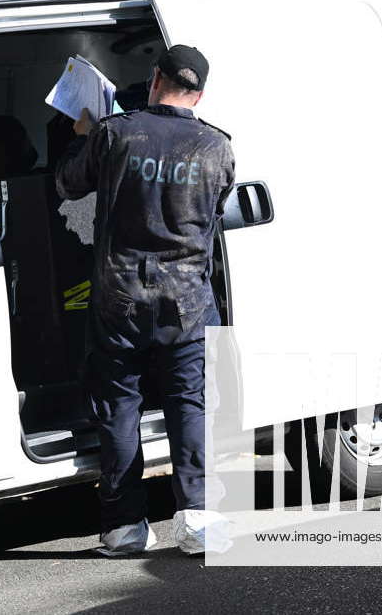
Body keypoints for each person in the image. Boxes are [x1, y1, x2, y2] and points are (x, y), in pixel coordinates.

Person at [55, 45, 236, 556]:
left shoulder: (116, 133)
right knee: (189, 405)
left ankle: (125, 527)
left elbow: (68, 185)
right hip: (188, 303)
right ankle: (198, 522)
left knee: (119, 406)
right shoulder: (217, 147)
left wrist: (83, 137)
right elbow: (216, 214)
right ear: (199, 93)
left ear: (154, 78)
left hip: (120, 299)